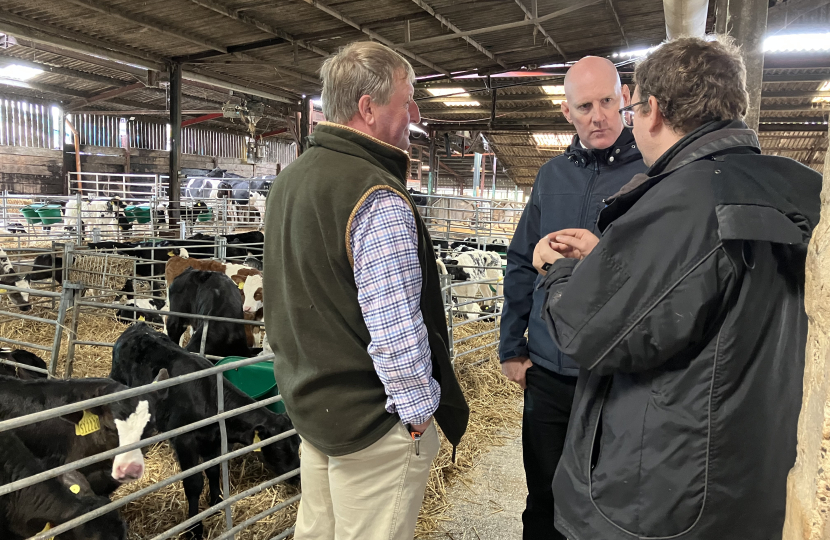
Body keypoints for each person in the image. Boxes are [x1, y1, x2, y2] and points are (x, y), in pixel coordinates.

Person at [534, 36, 821, 540]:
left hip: (669, 481)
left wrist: (559, 274)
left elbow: (586, 328)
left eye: (629, 105)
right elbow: (694, 293)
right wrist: (608, 259)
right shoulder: (798, 186)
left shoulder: (685, 200)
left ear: (654, 111)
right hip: (752, 466)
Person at [262, 41, 469, 540]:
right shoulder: (376, 194)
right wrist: (419, 415)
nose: (414, 112)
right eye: (407, 98)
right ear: (368, 108)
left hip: (314, 411)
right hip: (373, 424)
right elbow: (395, 326)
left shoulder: (289, 182)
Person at [498, 56, 646, 538]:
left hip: (614, 373)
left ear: (625, 98)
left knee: (606, 500)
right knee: (542, 496)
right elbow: (522, 260)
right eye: (585, 106)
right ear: (567, 112)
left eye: (607, 101)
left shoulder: (650, 173)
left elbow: (659, 268)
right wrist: (512, 348)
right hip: (548, 371)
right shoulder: (551, 177)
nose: (598, 115)